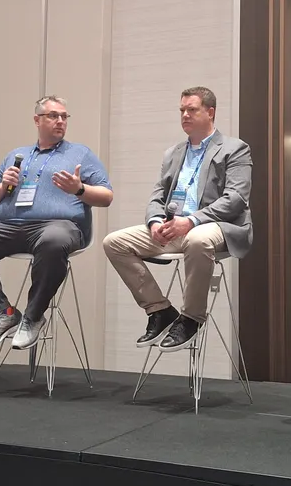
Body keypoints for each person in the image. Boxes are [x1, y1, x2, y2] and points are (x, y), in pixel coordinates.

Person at [0, 96, 113, 352]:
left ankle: (34, 315)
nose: (60, 121)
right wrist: (3, 185)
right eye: (53, 116)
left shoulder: (80, 153)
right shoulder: (17, 155)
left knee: (53, 241)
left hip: (59, 226)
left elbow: (106, 197)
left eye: (64, 116)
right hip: (12, 226)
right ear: (37, 120)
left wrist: (79, 189)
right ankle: (3, 313)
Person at [103, 87, 252, 352]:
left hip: (216, 226)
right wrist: (155, 222)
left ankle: (191, 318)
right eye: (182, 110)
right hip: (175, 227)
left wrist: (192, 221)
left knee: (196, 239)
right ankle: (159, 310)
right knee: (114, 242)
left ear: (210, 112)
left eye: (191, 109)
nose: (185, 115)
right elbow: (157, 195)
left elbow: (236, 199)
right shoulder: (173, 153)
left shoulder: (235, 148)